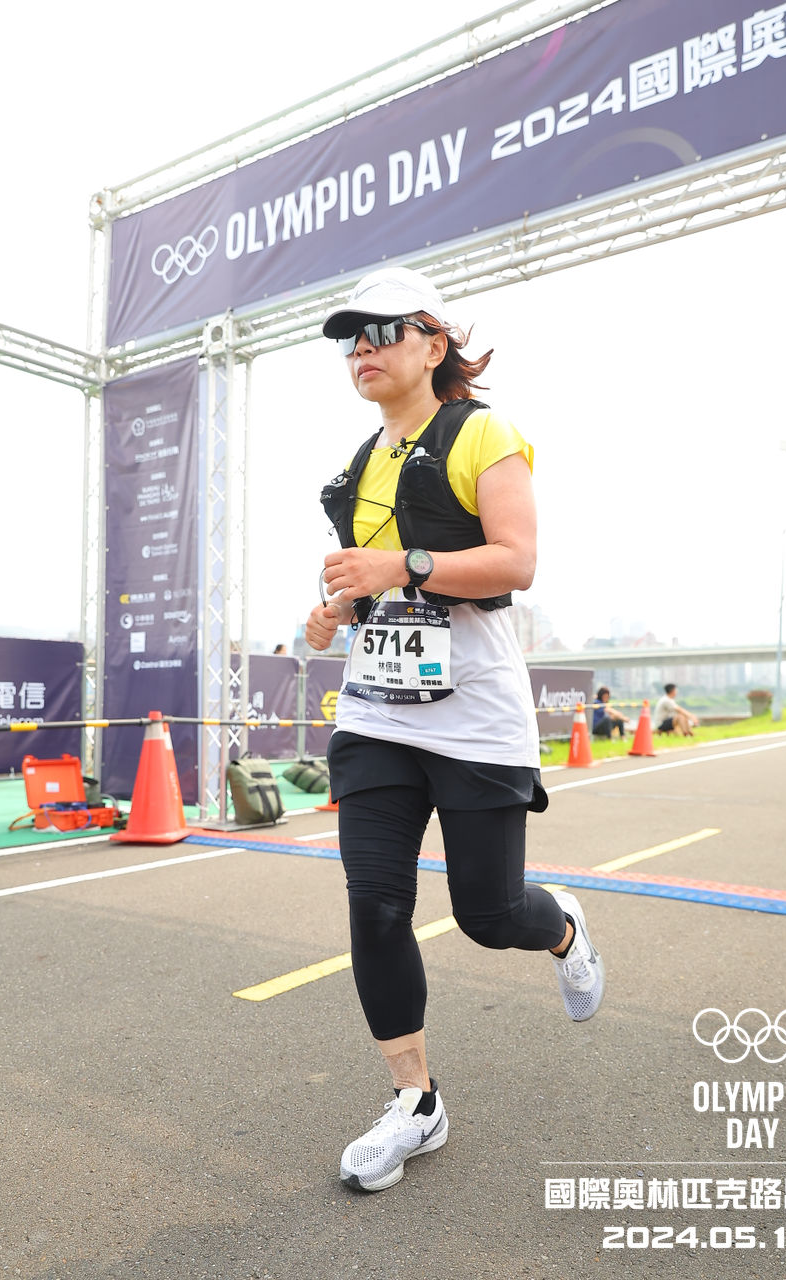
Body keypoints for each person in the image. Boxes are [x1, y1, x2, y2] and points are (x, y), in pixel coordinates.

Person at [305, 266, 605, 1194]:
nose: (360, 350)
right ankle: (415, 1101)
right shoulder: (358, 465)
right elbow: (366, 586)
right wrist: (329, 615)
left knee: (487, 915)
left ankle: (559, 927)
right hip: (375, 714)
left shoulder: (481, 432)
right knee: (375, 904)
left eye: (380, 332)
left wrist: (403, 563)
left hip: (474, 716)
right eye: (349, 338)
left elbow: (515, 560)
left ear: (432, 344)